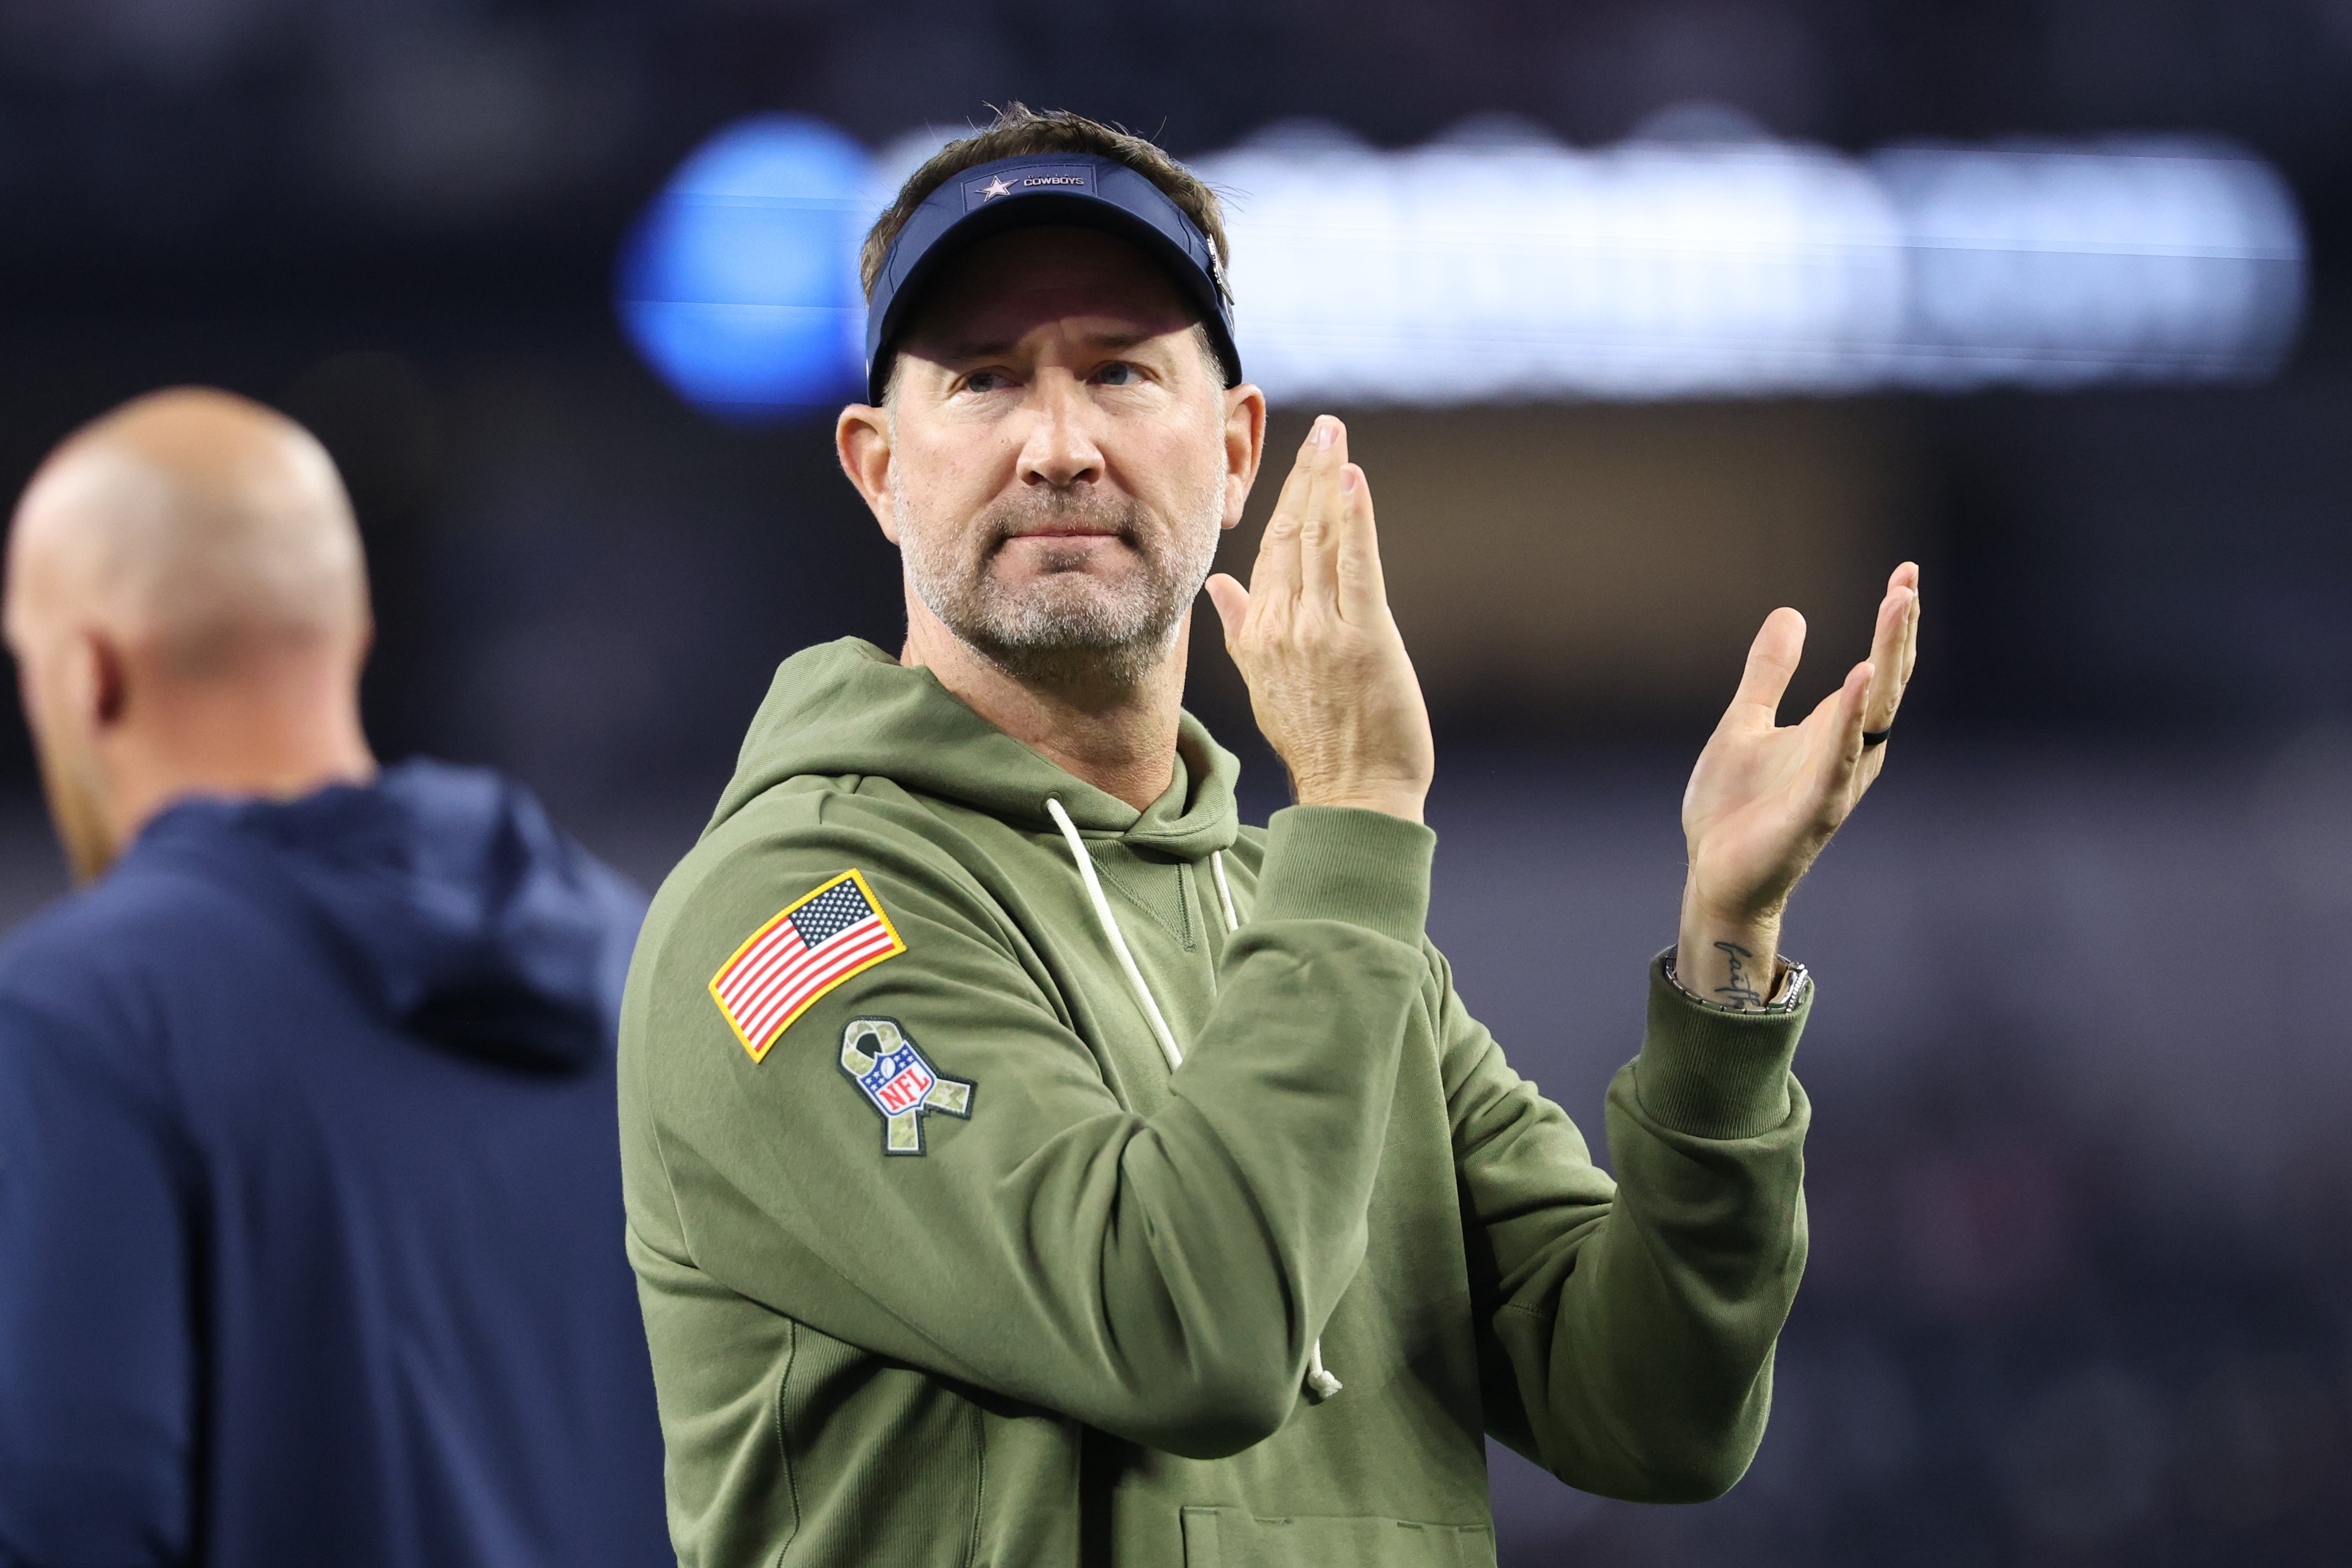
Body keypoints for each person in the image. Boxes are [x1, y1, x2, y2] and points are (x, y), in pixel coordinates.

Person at [620, 106, 1922, 1567]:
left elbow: (1658, 1414)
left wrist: (1724, 961)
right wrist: (1357, 811)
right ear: (876, 469)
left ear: (1236, 450)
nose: (1059, 446)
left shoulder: (1306, 922)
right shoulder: (795, 919)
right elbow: (1185, 1337)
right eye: (985, 382)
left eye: (1120, 369)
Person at [0, 388, 670, 1566]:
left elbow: (72, 1511)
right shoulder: (651, 967)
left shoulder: (81, 1014)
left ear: (85, 674)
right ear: (346, 633)